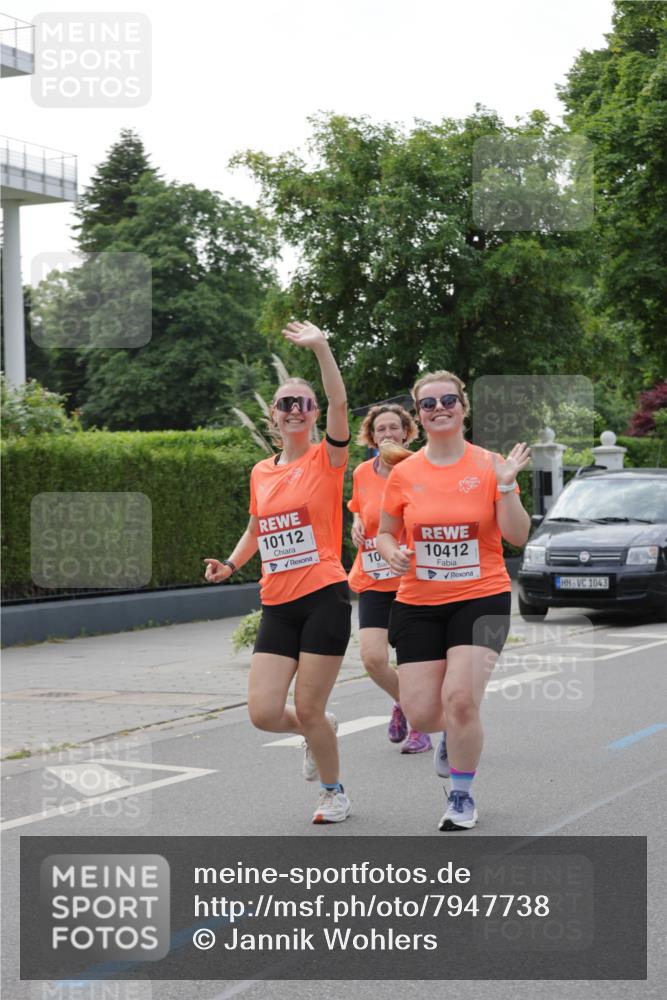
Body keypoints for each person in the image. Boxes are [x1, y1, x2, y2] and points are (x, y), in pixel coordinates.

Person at [204, 321, 353, 825]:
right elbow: (256, 528)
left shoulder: (327, 458)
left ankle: (333, 792)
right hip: (278, 603)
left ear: (313, 414)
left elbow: (340, 402)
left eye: (303, 403)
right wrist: (230, 563)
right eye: (285, 403)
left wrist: (321, 348)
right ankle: (319, 729)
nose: (294, 409)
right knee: (264, 713)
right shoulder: (261, 471)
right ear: (273, 413)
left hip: (324, 597)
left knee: (308, 707)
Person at [376, 370, 531, 831]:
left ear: (464, 407)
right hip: (418, 601)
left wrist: (506, 486)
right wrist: (391, 552)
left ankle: (461, 796)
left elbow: (518, 535)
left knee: (461, 700)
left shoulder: (490, 464)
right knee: (424, 713)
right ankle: (448, 734)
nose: (439, 408)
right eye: (428, 404)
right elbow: (385, 533)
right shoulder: (404, 473)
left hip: (480, 596)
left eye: (448, 400)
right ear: (419, 415)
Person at [347, 404, 432, 753]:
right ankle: (406, 703)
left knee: (411, 662)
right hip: (373, 578)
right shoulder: (361, 473)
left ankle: (421, 725)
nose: (387, 434)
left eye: (394, 428)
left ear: (406, 432)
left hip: (411, 580)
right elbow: (359, 508)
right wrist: (355, 523)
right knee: (372, 659)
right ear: (371, 436)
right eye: (380, 429)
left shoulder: (420, 468)